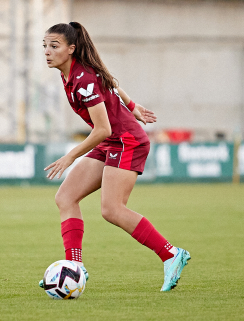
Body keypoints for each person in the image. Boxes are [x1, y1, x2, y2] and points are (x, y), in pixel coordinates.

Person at [41, 22, 190, 291]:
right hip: (113, 139)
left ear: (71, 49)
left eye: (54, 46)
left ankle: (170, 254)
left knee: (112, 209)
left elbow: (103, 128)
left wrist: (70, 156)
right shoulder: (72, 73)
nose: (47, 52)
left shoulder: (82, 79)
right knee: (65, 197)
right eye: (45, 46)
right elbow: (107, 79)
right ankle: (75, 268)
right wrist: (131, 106)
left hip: (125, 141)